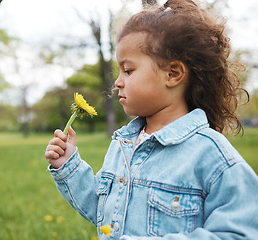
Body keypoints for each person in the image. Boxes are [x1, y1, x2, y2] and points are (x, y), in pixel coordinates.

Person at [44, 0, 258, 239]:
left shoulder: (212, 156)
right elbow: (106, 214)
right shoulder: (123, 145)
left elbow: (239, 233)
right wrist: (68, 165)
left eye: (128, 70)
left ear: (172, 74)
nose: (117, 82)